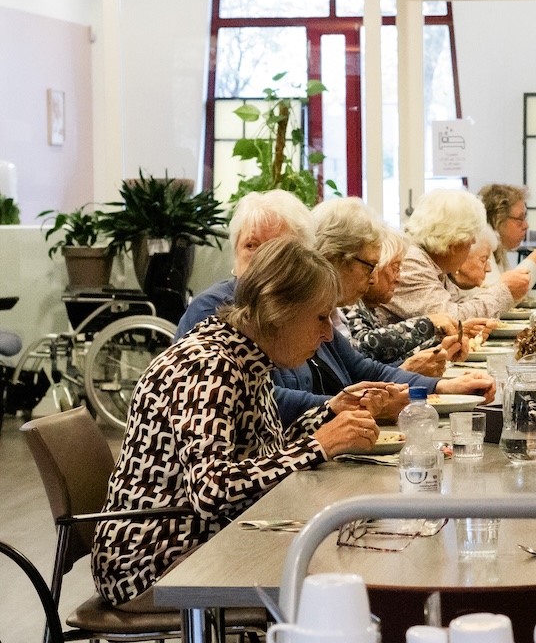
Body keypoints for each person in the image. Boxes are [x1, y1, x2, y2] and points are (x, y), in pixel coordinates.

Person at [92, 238, 380, 609]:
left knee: (340, 544)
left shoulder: (245, 354)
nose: (327, 334)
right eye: (320, 317)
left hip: (200, 536)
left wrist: (330, 413)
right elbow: (213, 491)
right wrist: (318, 445)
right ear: (278, 311)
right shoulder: (210, 366)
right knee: (336, 566)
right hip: (151, 561)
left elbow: (264, 456)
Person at [273, 206, 494, 417]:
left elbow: (365, 369)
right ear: (334, 258)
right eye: (370, 265)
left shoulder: (328, 312)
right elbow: (274, 402)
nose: (373, 278)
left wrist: (445, 387)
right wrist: (353, 407)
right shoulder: (281, 316)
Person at [174, 189, 317, 341]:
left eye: (276, 247)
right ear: (236, 251)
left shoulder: (310, 307)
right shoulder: (212, 311)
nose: (261, 257)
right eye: (251, 246)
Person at [380, 188, 530, 323]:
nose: (473, 241)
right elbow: (451, 319)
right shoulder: (412, 262)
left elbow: (461, 305)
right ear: (454, 240)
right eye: (471, 235)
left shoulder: (431, 261)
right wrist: (503, 291)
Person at [344, 225, 460, 375]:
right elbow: (364, 348)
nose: (399, 278)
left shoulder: (369, 306)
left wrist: (440, 347)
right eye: (395, 267)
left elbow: (384, 364)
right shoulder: (348, 300)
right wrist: (428, 324)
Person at [478, 183, 536, 289]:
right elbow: (497, 296)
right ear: (497, 219)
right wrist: (535, 260)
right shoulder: (480, 246)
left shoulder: (499, 247)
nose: (526, 225)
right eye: (520, 219)